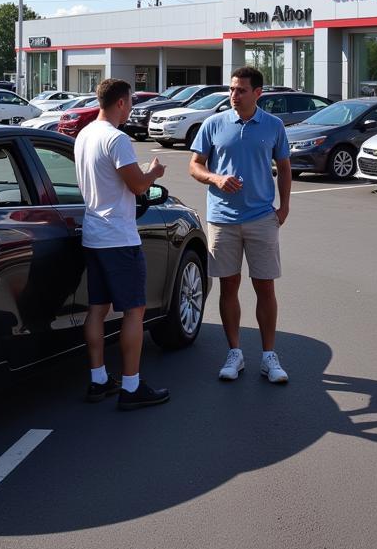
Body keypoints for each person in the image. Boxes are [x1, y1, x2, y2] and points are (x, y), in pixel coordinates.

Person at [189, 66, 291, 384]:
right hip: (222, 218)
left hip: (262, 218)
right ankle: (234, 353)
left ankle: (269, 356)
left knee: (265, 286)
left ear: (257, 93)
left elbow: (285, 167)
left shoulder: (273, 125)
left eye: (241, 90)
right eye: (232, 89)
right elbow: (194, 165)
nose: (234, 95)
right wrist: (215, 178)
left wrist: (284, 208)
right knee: (228, 285)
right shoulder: (214, 124)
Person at [74, 77, 169, 410]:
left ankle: (98, 379)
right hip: (118, 236)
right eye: (130, 102)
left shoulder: (84, 134)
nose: (131, 108)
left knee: (97, 309)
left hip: (93, 234)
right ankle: (131, 387)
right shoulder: (117, 139)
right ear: (120, 103)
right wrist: (154, 171)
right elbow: (138, 186)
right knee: (134, 310)